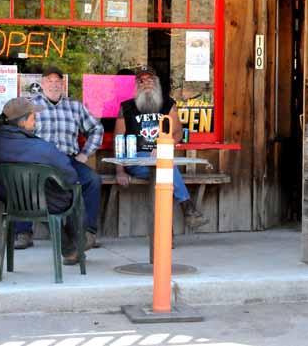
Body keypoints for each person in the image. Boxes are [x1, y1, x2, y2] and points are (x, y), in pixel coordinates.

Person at [0, 97, 89, 263]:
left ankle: (70, 249)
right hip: (44, 201)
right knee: (74, 193)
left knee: (40, 200)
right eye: (33, 116)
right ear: (23, 122)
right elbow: (70, 175)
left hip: (11, 200)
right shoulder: (42, 148)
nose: (35, 120)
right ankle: (76, 245)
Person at [114, 65, 209, 229]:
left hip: (161, 159)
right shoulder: (126, 107)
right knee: (166, 168)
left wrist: (164, 147)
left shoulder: (168, 104)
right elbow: (118, 139)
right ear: (136, 84)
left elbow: (178, 133)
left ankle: (165, 236)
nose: (146, 83)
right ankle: (188, 209)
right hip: (136, 159)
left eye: (150, 79)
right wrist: (120, 171)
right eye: (141, 80)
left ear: (156, 82)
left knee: (163, 172)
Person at [31, 66, 104, 247]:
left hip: (68, 160)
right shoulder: (31, 106)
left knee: (93, 180)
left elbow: (97, 129)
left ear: (63, 84)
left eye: (57, 81)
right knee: (23, 183)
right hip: (41, 162)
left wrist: (85, 153)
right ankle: (22, 232)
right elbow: (20, 134)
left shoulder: (75, 106)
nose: (54, 85)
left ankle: (88, 233)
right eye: (49, 81)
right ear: (42, 83)